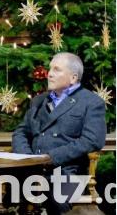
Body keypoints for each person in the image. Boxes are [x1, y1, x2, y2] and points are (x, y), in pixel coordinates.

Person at [12, 52, 107, 215]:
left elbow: (92, 141)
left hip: (67, 173)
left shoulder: (91, 102)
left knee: (57, 199)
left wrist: (51, 157)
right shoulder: (38, 101)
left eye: (57, 70)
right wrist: (27, 158)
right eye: (50, 69)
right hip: (30, 170)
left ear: (73, 78)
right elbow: (21, 132)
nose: (49, 74)